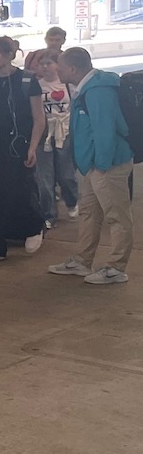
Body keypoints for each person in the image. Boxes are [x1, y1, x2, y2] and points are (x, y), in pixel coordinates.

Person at [48, 47, 133, 285]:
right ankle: (82, 261)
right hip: (92, 166)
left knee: (116, 216)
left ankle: (117, 267)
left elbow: (104, 130)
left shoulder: (98, 91)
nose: (57, 69)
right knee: (90, 213)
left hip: (107, 165)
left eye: (61, 66)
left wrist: (102, 164)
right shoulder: (85, 88)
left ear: (73, 69)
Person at [0, 36, 45, 264]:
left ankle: (32, 227)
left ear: (8, 55)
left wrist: (33, 147)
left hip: (18, 144)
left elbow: (38, 118)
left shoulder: (26, 81)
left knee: (18, 190)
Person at [31, 49, 78, 225]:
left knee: (66, 174)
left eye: (49, 63)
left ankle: (72, 200)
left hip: (64, 133)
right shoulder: (36, 85)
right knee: (44, 177)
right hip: (44, 133)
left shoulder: (68, 85)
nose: (45, 67)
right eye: (42, 64)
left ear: (58, 65)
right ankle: (48, 214)